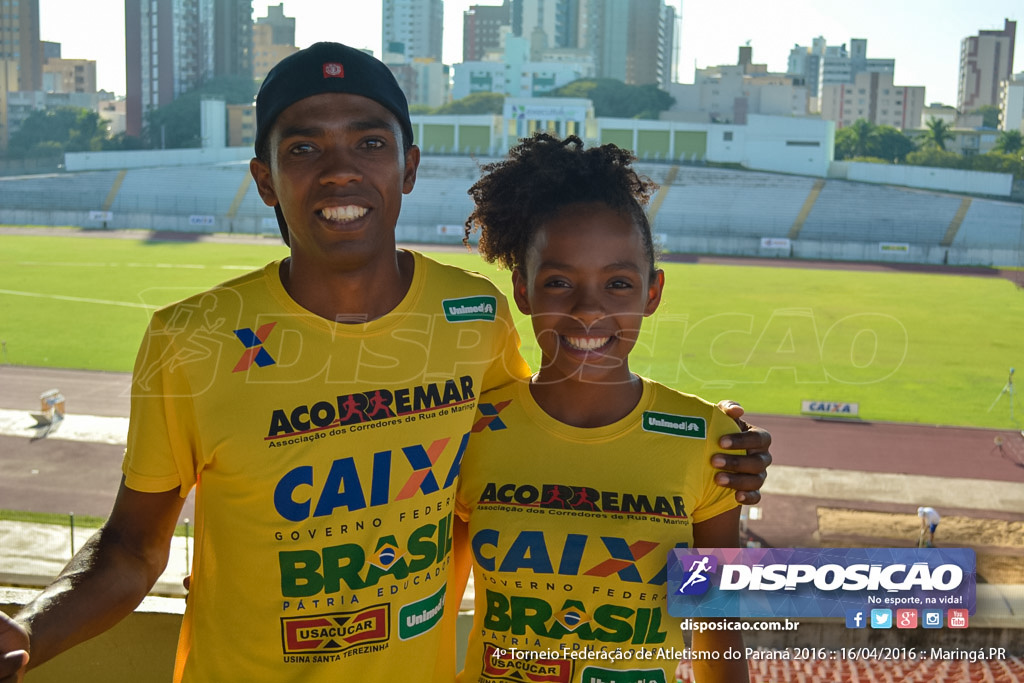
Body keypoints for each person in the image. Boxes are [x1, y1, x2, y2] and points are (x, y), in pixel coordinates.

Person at [0, 44, 768, 683]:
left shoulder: (473, 316)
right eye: (304, 146)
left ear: (407, 166)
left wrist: (713, 442)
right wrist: (28, 633)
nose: (339, 170)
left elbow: (552, 416)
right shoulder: (189, 339)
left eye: (369, 142)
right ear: (264, 176)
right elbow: (132, 549)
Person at [452, 133, 747, 682]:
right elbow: (437, 606)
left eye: (617, 284)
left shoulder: (708, 441)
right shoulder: (470, 429)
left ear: (652, 294)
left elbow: (717, 633)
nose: (588, 310)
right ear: (523, 290)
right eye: (559, 282)